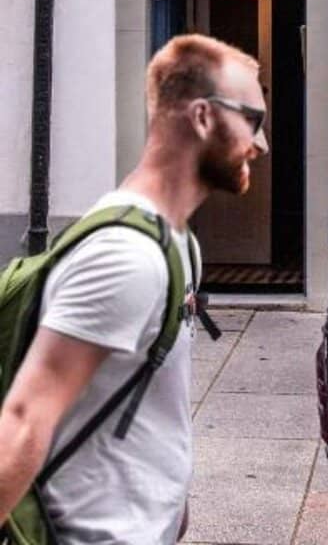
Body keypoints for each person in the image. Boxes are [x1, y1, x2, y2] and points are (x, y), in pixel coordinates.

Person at [0, 32, 268, 545]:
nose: (261, 143)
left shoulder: (178, 240)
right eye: (252, 120)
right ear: (204, 117)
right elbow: (23, 420)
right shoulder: (125, 256)